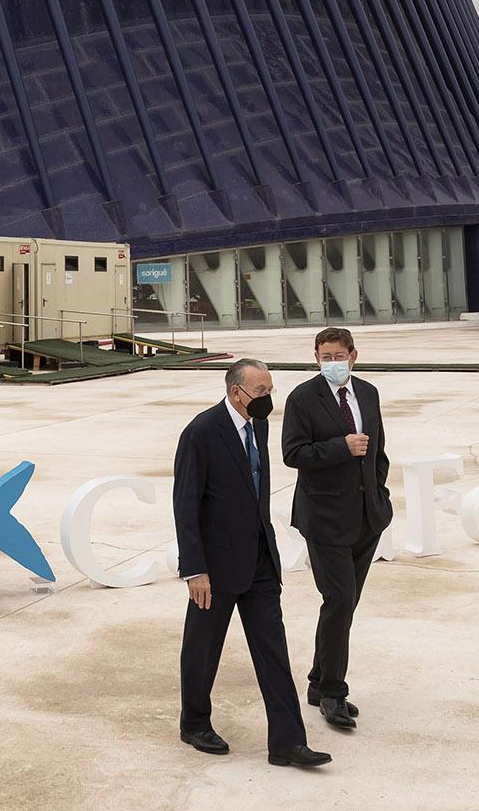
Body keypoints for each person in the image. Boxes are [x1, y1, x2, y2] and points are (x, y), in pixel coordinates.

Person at [173, 358, 332, 771]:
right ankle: (194, 722)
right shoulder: (202, 432)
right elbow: (185, 504)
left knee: (274, 651)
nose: (268, 399)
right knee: (202, 650)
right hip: (216, 566)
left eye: (270, 390)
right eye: (261, 392)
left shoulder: (258, 426)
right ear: (235, 393)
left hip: (260, 561)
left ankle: (287, 742)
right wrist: (194, 569)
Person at [281, 326, 393, 732]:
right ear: (315, 358)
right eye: (324, 356)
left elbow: (378, 450)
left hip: (366, 517)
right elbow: (293, 453)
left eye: (338, 355)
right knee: (339, 600)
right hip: (325, 520)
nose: (332, 362)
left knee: (345, 605)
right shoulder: (302, 399)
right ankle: (332, 692)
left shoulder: (368, 393)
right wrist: (340, 447)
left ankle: (317, 680)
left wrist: (379, 495)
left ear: (353, 356)